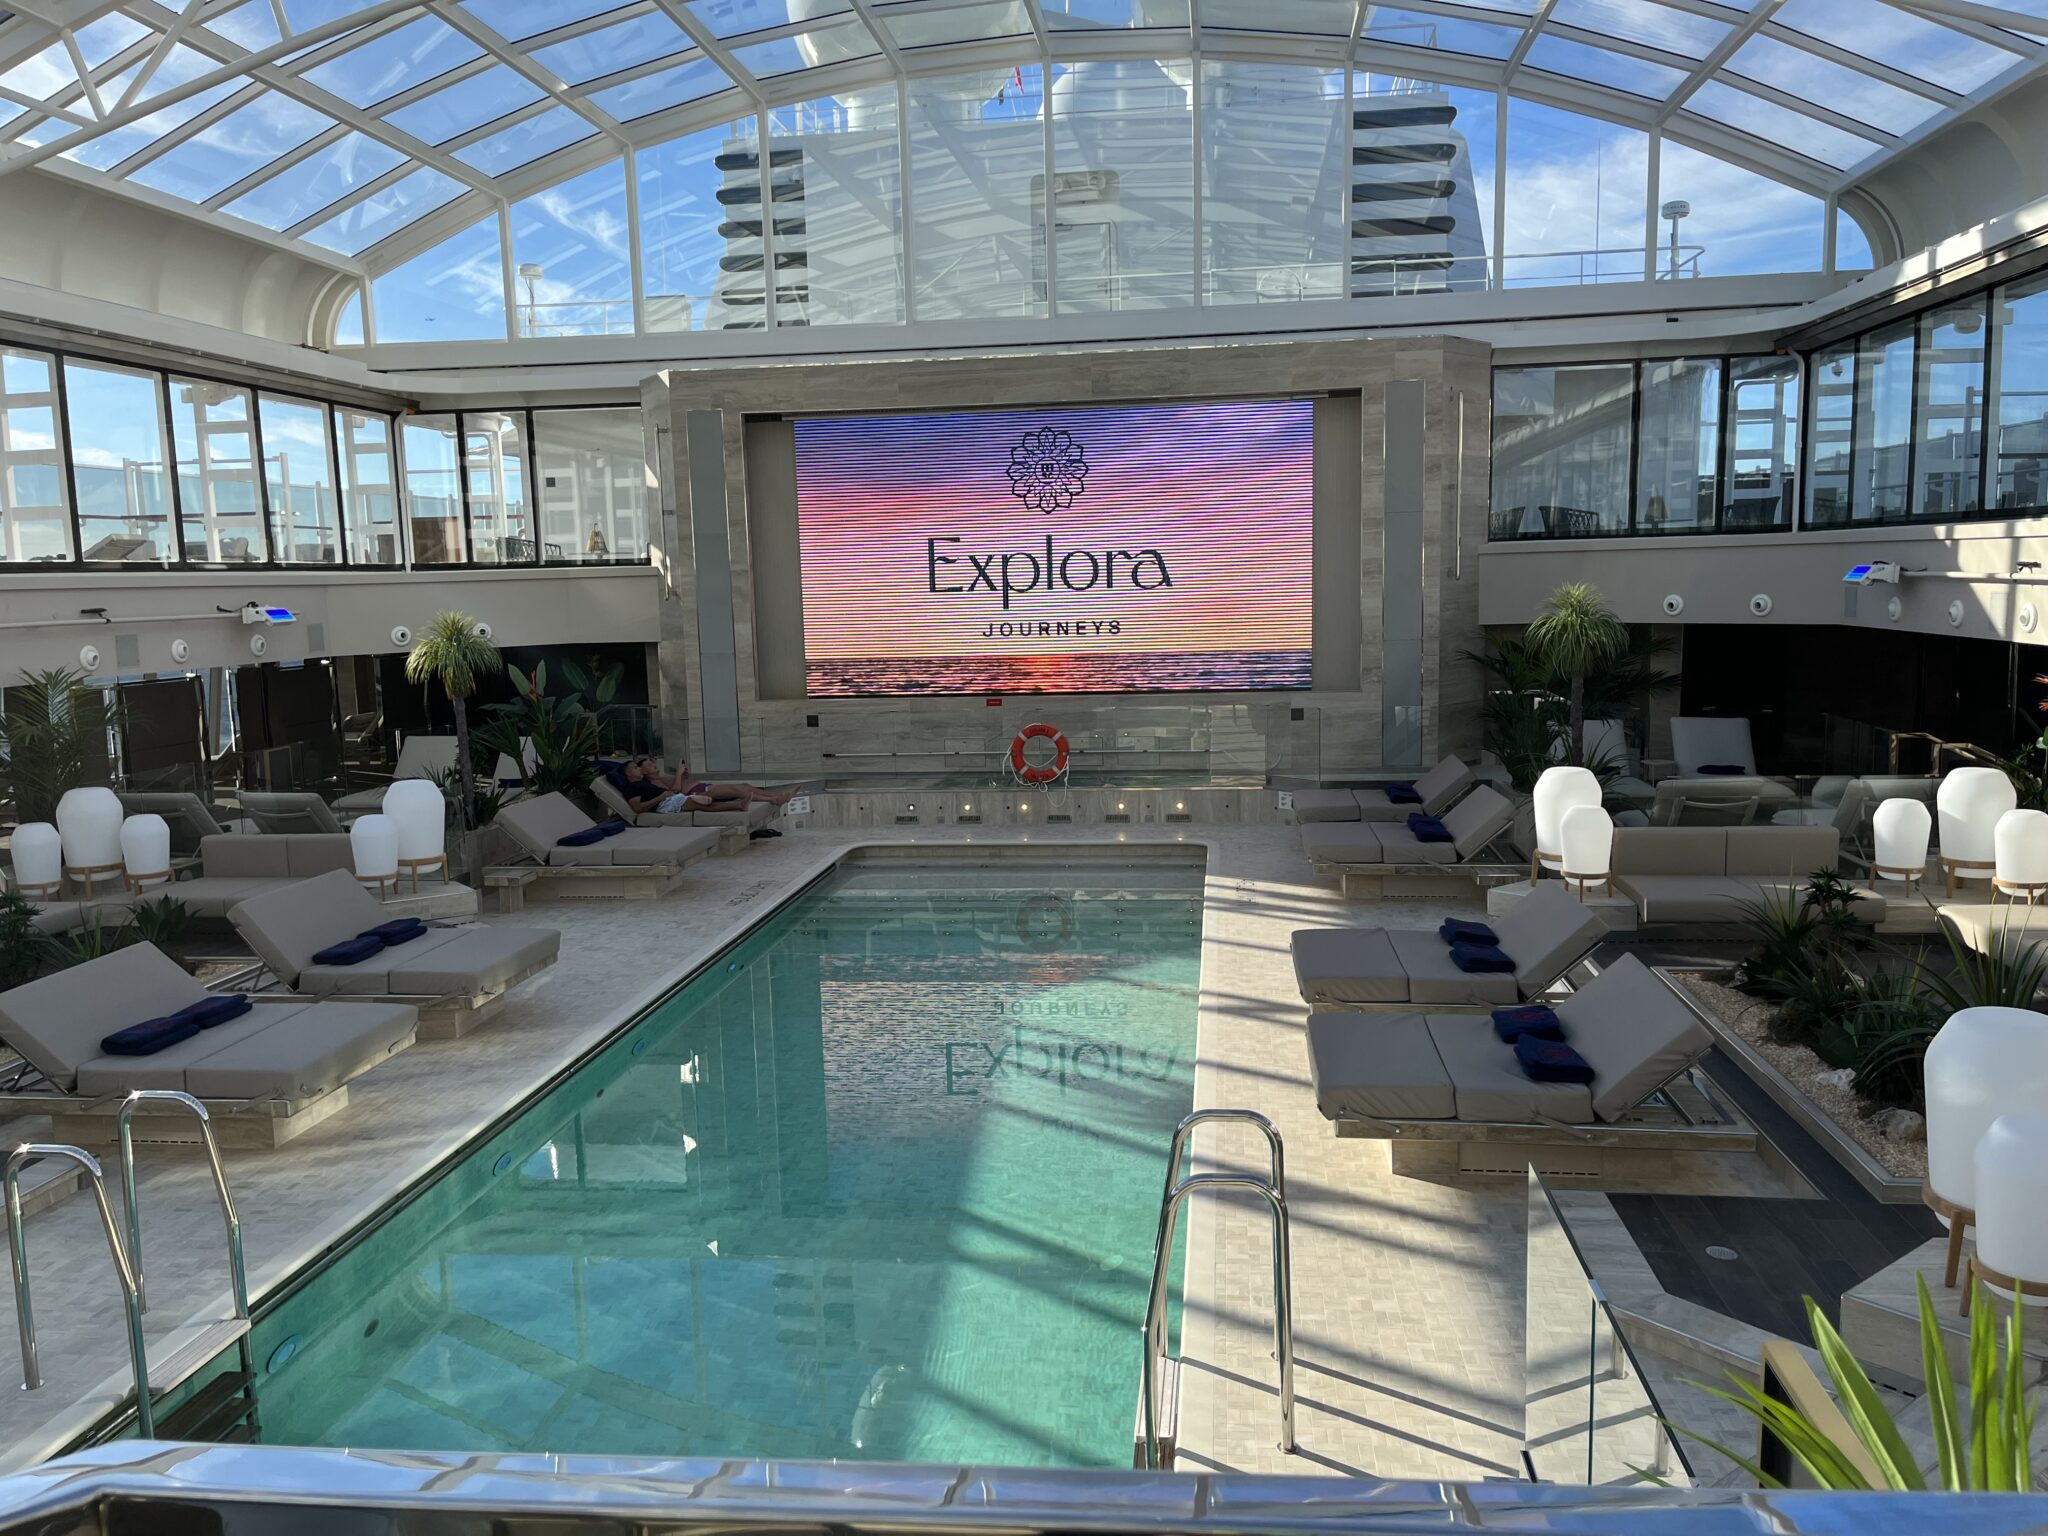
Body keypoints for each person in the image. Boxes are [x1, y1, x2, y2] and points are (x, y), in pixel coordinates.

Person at [623, 757, 795, 835]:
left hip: (687, 794)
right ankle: (773, 799)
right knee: (737, 790)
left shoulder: (651, 782)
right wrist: (678, 775)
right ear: (637, 772)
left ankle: (776, 795)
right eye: (646, 765)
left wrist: (683, 775)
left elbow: (676, 788)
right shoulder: (643, 785)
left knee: (744, 787)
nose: (652, 765)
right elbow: (676, 791)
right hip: (688, 796)